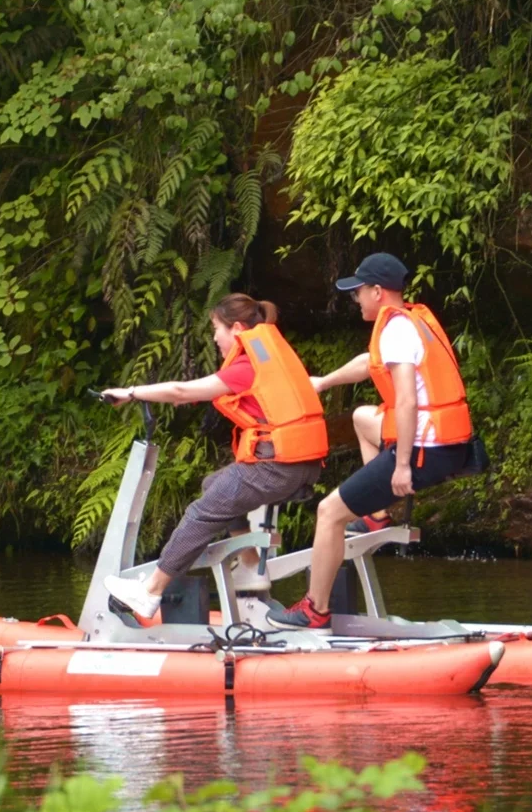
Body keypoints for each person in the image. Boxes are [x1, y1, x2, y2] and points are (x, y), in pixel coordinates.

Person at [268, 253, 473, 630]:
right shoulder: (406, 321)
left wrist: (402, 464)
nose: (356, 299)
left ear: (377, 291)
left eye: (359, 292)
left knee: (329, 513)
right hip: (447, 442)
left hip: (428, 449)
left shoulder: (396, 328)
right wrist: (324, 382)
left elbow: (408, 400)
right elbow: (370, 362)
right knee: (363, 418)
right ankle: (376, 516)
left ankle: (315, 609)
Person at [101, 294, 327, 624]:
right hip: (303, 465)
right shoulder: (269, 358)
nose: (214, 338)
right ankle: (249, 566)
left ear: (236, 329)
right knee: (214, 485)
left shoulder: (246, 365)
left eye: (216, 329)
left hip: (275, 468)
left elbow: (181, 391)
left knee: (200, 512)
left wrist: (132, 392)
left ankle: (150, 593)